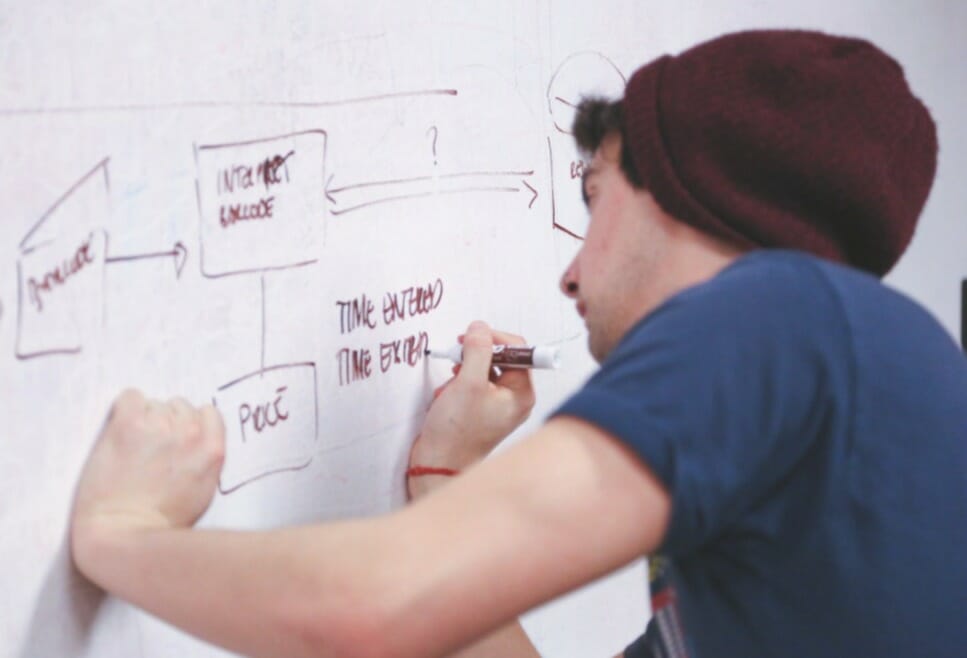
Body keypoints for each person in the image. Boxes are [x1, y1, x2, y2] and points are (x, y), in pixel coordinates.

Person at [70, 29, 967, 658]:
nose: (568, 277)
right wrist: (444, 479)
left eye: (593, 196)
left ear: (687, 189)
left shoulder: (776, 313)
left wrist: (118, 536)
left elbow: (370, 610)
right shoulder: (848, 383)